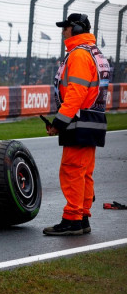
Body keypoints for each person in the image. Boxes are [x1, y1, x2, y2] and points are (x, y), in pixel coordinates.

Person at [44, 13, 110, 236]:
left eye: (67, 27)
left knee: (72, 171)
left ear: (78, 29)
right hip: (93, 120)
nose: (63, 31)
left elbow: (76, 93)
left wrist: (59, 123)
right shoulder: (94, 53)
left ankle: (72, 219)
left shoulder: (79, 55)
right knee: (84, 173)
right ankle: (82, 218)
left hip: (80, 121)